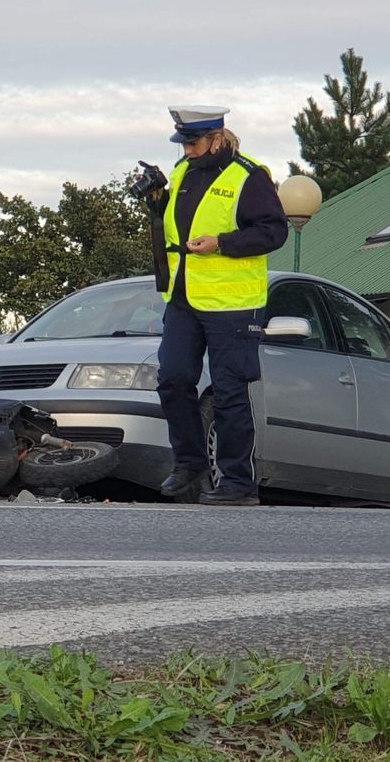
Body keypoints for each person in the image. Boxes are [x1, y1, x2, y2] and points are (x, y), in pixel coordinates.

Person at [151, 105, 288, 505]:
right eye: (183, 144)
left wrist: (222, 243)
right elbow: (173, 225)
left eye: (192, 143)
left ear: (216, 138)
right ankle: (190, 464)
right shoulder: (182, 172)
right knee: (173, 379)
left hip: (232, 304)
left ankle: (238, 483)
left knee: (228, 392)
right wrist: (155, 198)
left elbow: (274, 231)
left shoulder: (247, 175)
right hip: (183, 297)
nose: (187, 151)